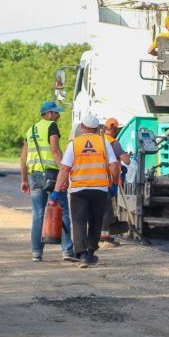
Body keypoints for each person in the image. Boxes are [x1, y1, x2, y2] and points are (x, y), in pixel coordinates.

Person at [53, 114, 120, 268]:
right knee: (96, 221)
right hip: (100, 189)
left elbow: (64, 169)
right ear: (97, 129)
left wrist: (57, 191)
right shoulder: (104, 143)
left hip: (79, 190)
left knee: (78, 222)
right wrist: (114, 185)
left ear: (82, 128)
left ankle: (82, 255)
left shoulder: (74, 144)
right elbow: (115, 166)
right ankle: (91, 251)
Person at [20, 101, 75, 262]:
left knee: (38, 214)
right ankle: (67, 251)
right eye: (56, 113)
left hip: (34, 175)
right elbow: (55, 150)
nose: (58, 116)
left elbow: (23, 157)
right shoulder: (51, 126)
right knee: (63, 210)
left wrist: (24, 179)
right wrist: (64, 172)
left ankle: (36, 253)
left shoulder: (31, 130)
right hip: (51, 174)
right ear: (49, 113)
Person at [100, 118, 132, 245]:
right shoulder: (114, 143)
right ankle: (104, 237)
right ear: (116, 129)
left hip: (97, 178)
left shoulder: (99, 140)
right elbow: (127, 161)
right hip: (110, 179)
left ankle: (100, 234)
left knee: (100, 209)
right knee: (107, 210)